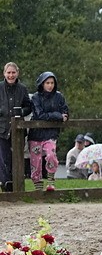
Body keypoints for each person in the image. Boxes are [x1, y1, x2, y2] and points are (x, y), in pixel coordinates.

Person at [28, 71, 68, 192]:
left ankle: (51, 180)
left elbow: (66, 113)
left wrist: (60, 116)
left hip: (51, 133)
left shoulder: (59, 97)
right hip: (36, 133)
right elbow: (39, 115)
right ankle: (38, 187)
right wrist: (57, 115)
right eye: (47, 83)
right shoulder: (35, 97)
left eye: (52, 83)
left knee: (51, 155)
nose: (50, 85)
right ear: (42, 83)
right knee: (36, 162)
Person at [0, 62, 33, 192]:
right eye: (8, 72)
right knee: (3, 158)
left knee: (17, 158)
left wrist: (21, 112)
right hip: (2, 129)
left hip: (18, 129)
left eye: (13, 72)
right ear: (4, 73)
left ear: (17, 73)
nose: (11, 75)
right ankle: (6, 183)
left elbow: (29, 107)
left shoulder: (22, 89)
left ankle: (16, 184)